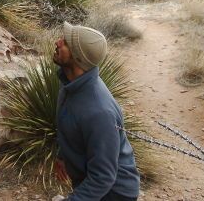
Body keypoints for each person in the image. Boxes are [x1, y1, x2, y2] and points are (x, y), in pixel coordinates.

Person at [53, 23, 141, 201]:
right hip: (93, 185)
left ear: (77, 58)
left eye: (66, 43)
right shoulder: (71, 84)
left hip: (114, 194)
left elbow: (103, 177)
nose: (58, 42)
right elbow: (70, 126)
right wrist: (63, 157)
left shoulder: (99, 112)